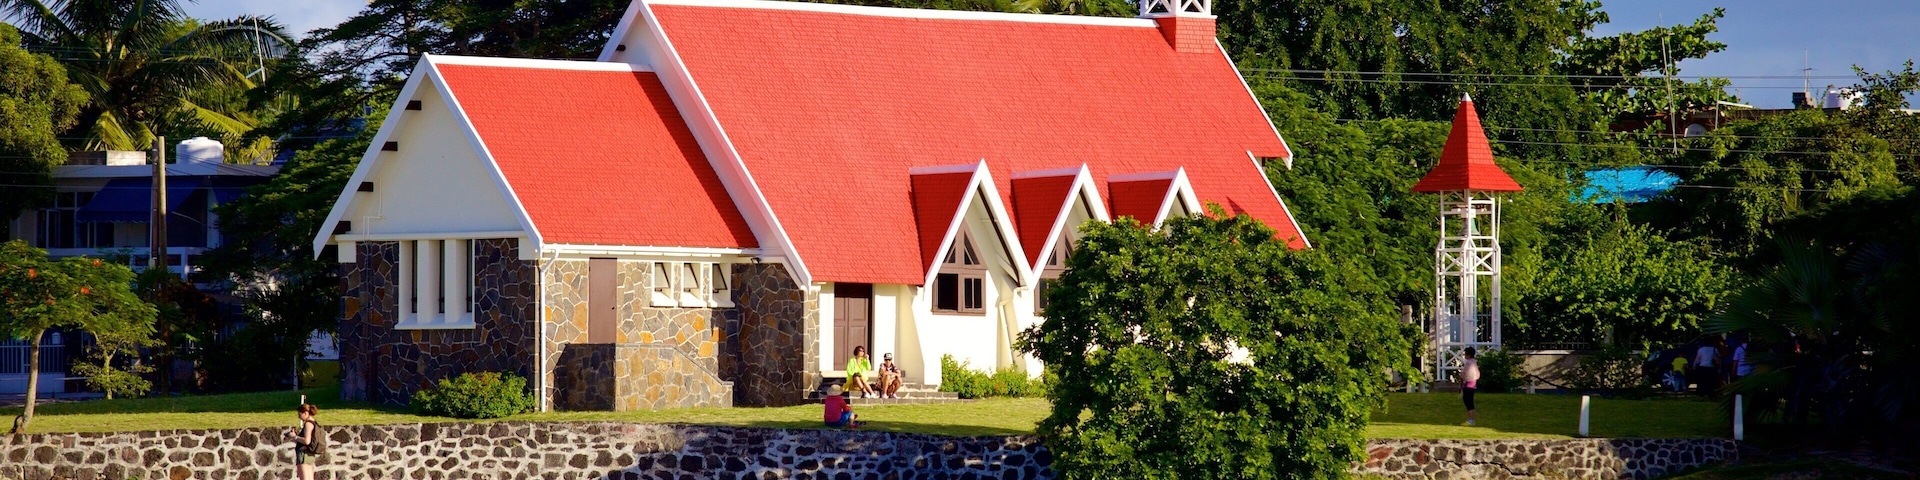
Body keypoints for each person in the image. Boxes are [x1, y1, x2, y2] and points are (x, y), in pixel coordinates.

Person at [284, 404, 321, 479]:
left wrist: (294, 436)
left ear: (305, 413)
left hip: (304, 454)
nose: (299, 417)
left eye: (299, 414)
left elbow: (307, 441)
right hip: (310, 454)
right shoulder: (315, 423)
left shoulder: (308, 424)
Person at [1460, 347, 1480, 426]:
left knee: (1468, 402)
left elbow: (1466, 373)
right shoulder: (1474, 363)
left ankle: (1471, 419)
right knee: (1470, 402)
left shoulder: (1468, 363)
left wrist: (1462, 376)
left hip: (1468, 384)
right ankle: (1471, 419)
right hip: (1473, 384)